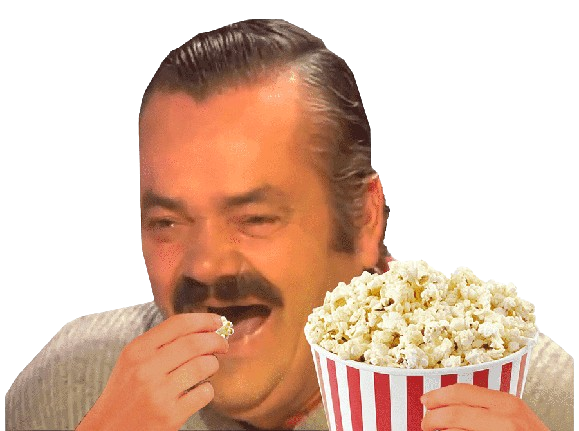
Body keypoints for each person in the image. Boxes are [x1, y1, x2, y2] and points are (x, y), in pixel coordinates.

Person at [6, 19, 573, 431]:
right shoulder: (67, 390)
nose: (206, 264)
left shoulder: (534, 398)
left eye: (255, 218)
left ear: (363, 220)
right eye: (167, 222)